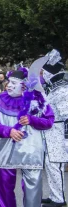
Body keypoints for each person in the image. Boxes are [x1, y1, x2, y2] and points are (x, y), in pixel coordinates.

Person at [0, 68, 55, 207]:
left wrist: (32, 119)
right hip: (6, 151)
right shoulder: (0, 99)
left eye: (13, 83)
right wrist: (8, 131)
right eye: (9, 82)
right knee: (5, 188)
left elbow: (49, 121)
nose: (8, 86)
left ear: (25, 86)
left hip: (31, 152)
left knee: (33, 189)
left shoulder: (39, 100)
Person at [41, 50, 68, 207]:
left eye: (45, 71)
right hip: (51, 132)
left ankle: (59, 199)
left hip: (58, 133)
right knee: (51, 165)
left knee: (55, 165)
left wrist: (67, 139)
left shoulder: (61, 90)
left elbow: (67, 116)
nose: (43, 74)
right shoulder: (53, 87)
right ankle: (54, 195)